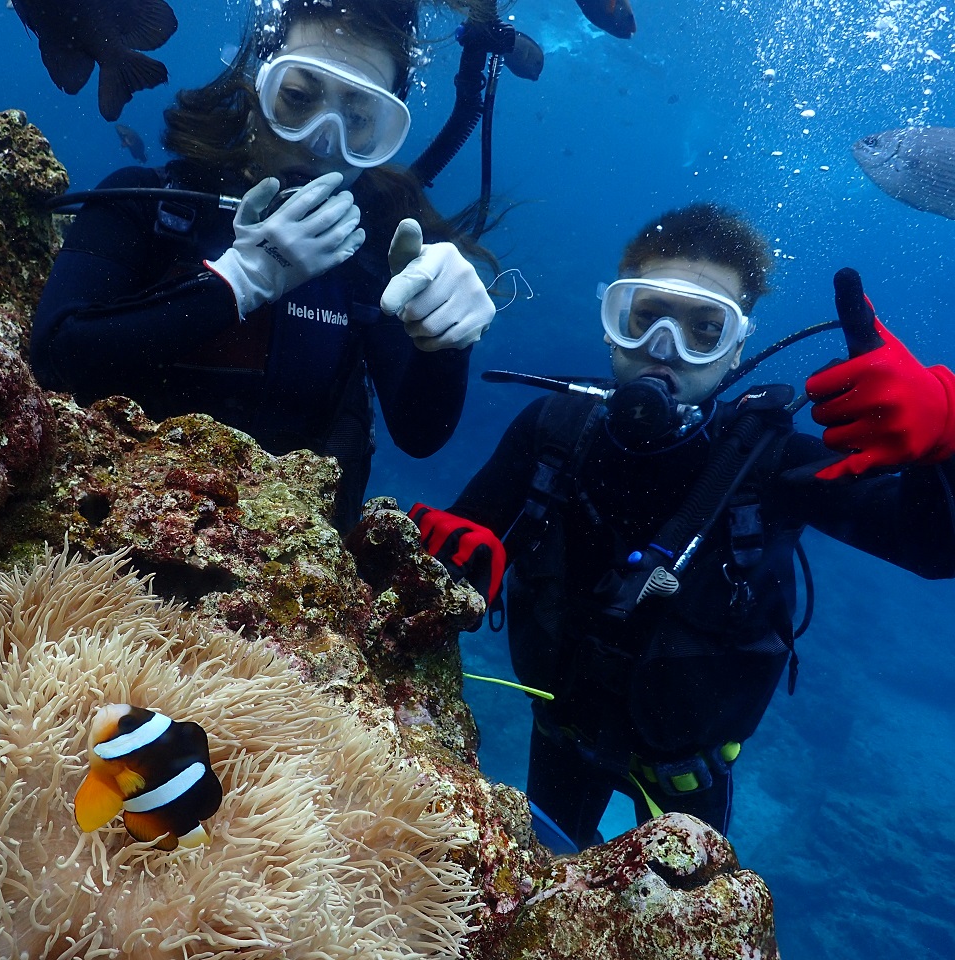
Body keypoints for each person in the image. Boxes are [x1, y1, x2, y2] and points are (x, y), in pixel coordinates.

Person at [409, 202, 955, 851]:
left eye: (704, 329)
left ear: (736, 353)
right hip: (561, 738)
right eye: (644, 319)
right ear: (613, 327)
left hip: (688, 782)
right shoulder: (551, 433)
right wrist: (428, 565)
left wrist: (942, 451)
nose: (663, 351)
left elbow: (931, 548)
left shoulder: (771, 462)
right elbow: (444, 556)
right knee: (535, 883)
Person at [30, 0, 497, 531]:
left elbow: (419, 433)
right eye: (297, 98)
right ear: (258, 89)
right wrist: (238, 281)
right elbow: (54, 357)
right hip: (109, 546)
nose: (324, 139)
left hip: (297, 585)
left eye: (359, 118)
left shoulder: (377, 258)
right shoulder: (151, 205)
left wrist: (446, 344)